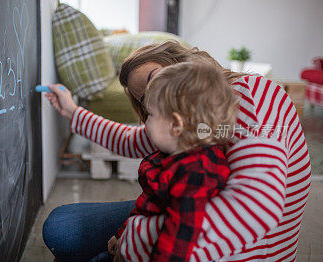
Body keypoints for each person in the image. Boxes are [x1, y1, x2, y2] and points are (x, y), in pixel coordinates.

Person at [43, 41, 311, 261]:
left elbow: (255, 207)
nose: (152, 96)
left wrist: (137, 237)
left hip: (241, 248)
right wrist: (71, 111)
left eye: (154, 78)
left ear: (180, 63)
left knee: (66, 233)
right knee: (61, 225)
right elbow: (132, 139)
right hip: (194, 218)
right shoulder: (194, 122)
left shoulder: (249, 93)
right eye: (145, 101)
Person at [107, 62, 237, 261]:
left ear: (176, 124)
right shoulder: (173, 156)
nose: (145, 122)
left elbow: (180, 238)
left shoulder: (196, 173)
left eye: (150, 114)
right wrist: (122, 233)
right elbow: (147, 204)